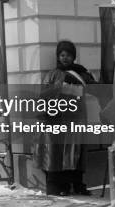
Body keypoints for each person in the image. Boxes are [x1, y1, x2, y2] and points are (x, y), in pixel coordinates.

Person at [33, 40, 97, 196]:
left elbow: (95, 88)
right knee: (57, 151)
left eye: (68, 55)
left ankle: (77, 184)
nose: (65, 58)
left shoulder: (82, 73)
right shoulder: (52, 74)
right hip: (58, 118)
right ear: (58, 56)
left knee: (76, 151)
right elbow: (44, 95)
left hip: (76, 117)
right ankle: (58, 186)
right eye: (62, 55)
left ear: (73, 56)